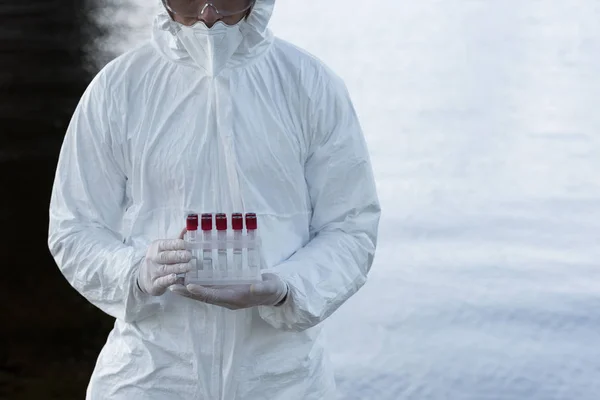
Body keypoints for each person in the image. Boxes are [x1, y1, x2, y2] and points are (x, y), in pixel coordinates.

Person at [48, 0, 381, 399]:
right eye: (188, 0)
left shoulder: (309, 85)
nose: (208, 16)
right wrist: (134, 272)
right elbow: (73, 228)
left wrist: (286, 287)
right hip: (151, 374)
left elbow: (350, 227)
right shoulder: (119, 88)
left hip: (282, 379)